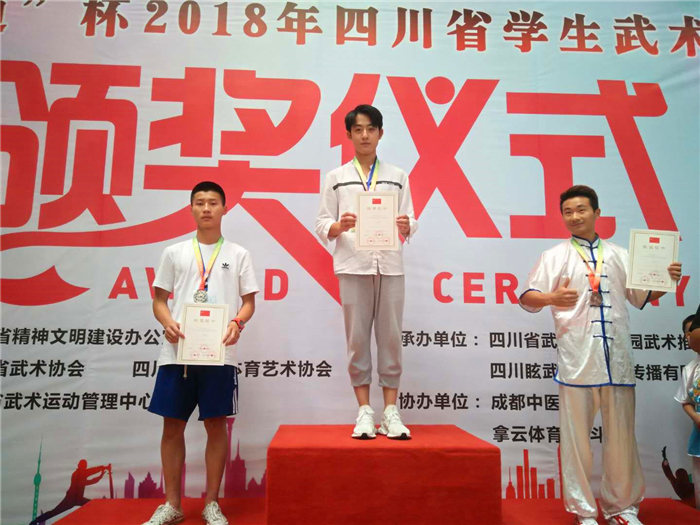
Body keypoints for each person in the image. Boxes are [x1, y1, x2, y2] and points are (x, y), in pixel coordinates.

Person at [518, 185, 682, 525]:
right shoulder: (554, 256)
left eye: (581, 209)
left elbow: (641, 296)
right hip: (577, 361)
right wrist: (550, 298)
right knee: (576, 442)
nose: (574, 216)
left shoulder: (620, 254)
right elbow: (527, 297)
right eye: (568, 212)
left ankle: (621, 508)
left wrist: (666, 281)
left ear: (597, 212)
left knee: (621, 440)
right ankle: (583, 512)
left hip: (617, 362)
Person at [143, 181, 258, 525]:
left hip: (218, 354)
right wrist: (167, 322)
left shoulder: (238, 254)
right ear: (191, 208)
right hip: (177, 353)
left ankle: (211, 504)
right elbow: (159, 300)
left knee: (216, 425)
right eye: (200, 202)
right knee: (172, 426)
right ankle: (172, 504)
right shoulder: (174, 252)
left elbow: (248, 303)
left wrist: (237, 323)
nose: (206, 208)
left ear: (225, 208)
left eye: (213, 202)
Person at [315, 104, 418, 440]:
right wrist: (339, 225)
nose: (364, 135)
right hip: (353, 265)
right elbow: (322, 223)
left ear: (380, 133)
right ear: (348, 134)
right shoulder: (336, 178)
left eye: (370, 129)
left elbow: (410, 219)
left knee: (391, 338)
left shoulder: (398, 175)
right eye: (358, 129)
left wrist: (406, 225)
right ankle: (363, 411)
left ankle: (390, 412)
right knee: (357, 339)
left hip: (390, 266)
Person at [29, 460, 110, 525]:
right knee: (55, 512)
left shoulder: (82, 472)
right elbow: (90, 481)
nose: (85, 468)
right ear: (80, 466)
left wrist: (103, 468)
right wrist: (100, 475)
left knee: (92, 505)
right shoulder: (77, 475)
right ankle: (36, 520)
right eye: (83, 466)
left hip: (78, 499)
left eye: (84, 467)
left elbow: (93, 470)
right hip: (70, 500)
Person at [674, 313, 700, 509]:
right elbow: (686, 401)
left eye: (695, 330)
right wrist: (696, 418)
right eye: (688, 332)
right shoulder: (691, 369)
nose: (692, 336)